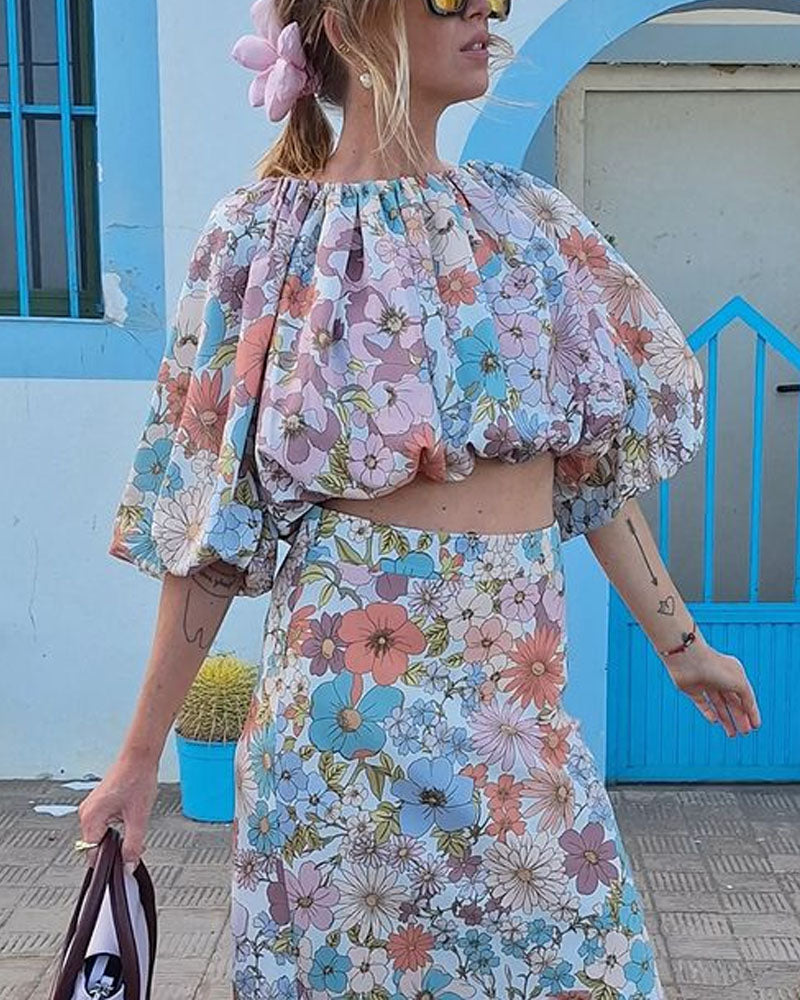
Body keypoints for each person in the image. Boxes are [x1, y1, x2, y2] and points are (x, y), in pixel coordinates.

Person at [77, 1, 762, 997]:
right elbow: (209, 529)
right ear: (350, 23)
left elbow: (589, 471)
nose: (484, 8)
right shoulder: (260, 241)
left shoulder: (529, 225)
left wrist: (681, 643)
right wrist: (138, 759)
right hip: (337, 743)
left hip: (514, 729)